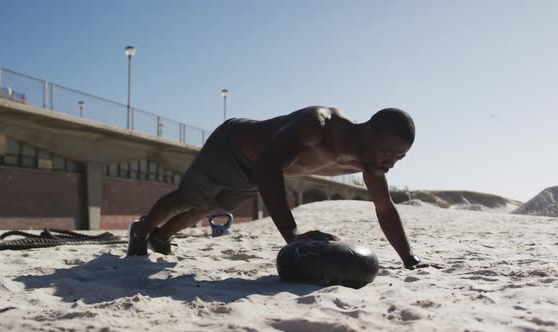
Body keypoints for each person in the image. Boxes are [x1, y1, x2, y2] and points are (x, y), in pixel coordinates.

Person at [127, 106, 426, 269]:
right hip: (232, 147)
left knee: (209, 206)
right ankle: (141, 232)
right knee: (190, 197)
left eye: (399, 157)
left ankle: (162, 235)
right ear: (370, 130)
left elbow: (384, 208)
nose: (391, 162)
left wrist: (409, 259)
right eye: (389, 152)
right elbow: (269, 167)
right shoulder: (319, 125)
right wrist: (293, 236)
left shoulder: (367, 164)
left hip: (254, 173)